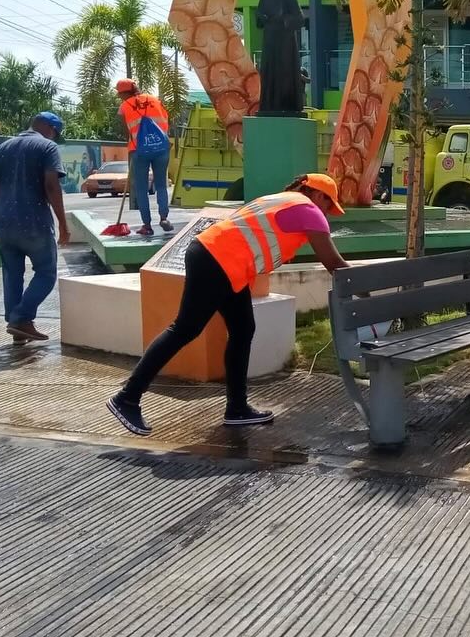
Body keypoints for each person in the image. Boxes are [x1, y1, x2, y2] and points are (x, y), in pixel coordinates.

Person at [106, 173, 352, 435]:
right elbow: (333, 263)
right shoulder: (308, 210)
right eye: (328, 206)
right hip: (217, 261)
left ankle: (237, 409)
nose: (326, 214)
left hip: (219, 260)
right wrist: (363, 287)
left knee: (242, 329)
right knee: (185, 329)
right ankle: (127, 398)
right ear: (318, 195)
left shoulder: (282, 199)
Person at [0, 112, 71, 344]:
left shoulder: (4, 147)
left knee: (12, 274)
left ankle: (18, 330)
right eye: (55, 133)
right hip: (34, 223)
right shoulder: (48, 147)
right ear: (49, 128)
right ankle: (21, 318)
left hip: (2, 224)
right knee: (46, 273)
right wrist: (63, 224)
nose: (54, 137)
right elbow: (51, 185)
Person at [116, 79, 172, 236]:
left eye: (119, 94)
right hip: (161, 148)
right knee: (161, 185)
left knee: (141, 188)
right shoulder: (155, 100)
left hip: (139, 151)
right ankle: (164, 218)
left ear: (124, 93)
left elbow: (125, 131)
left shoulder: (124, 106)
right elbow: (166, 120)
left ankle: (147, 226)